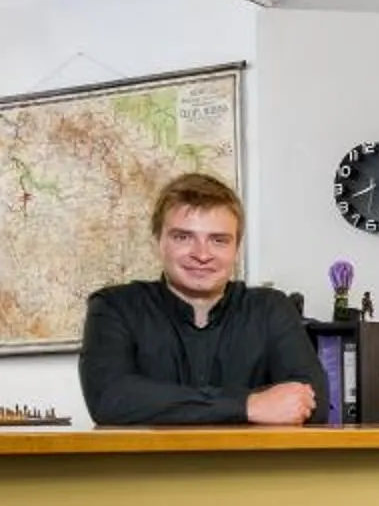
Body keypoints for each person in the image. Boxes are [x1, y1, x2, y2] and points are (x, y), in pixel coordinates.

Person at [79, 173, 326, 426]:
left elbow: (311, 404)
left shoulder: (271, 308)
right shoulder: (114, 307)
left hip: (251, 466)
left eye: (218, 240)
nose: (202, 254)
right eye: (183, 237)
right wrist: (247, 406)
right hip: (149, 466)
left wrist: (163, 403)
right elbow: (110, 400)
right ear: (157, 242)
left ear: (236, 249)